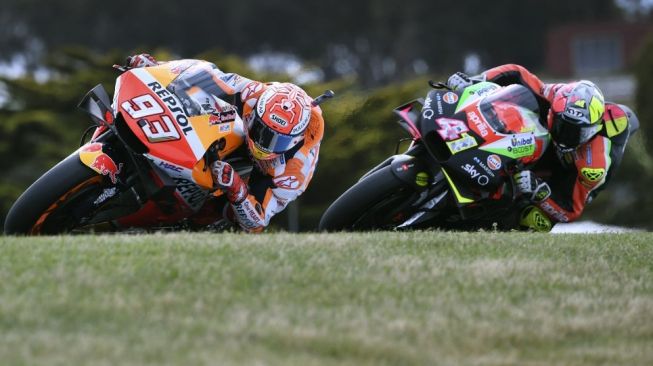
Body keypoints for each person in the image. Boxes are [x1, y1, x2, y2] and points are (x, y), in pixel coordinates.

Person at [126, 54, 328, 232]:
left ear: (295, 139)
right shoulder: (252, 93)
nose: (263, 143)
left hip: (262, 176)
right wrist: (154, 66)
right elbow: (201, 73)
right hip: (233, 132)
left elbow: (258, 222)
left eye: (277, 140)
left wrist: (237, 189)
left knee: (227, 213)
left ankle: (191, 224)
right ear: (255, 112)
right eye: (261, 130)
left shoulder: (297, 169)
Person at [447, 64, 639, 232]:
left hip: (569, 177)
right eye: (561, 126)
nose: (565, 137)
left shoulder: (592, 166)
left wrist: (539, 190)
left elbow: (571, 211)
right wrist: (475, 81)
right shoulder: (554, 95)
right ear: (555, 110)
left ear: (591, 132)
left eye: (575, 133)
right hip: (547, 139)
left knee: (534, 220)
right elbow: (516, 72)